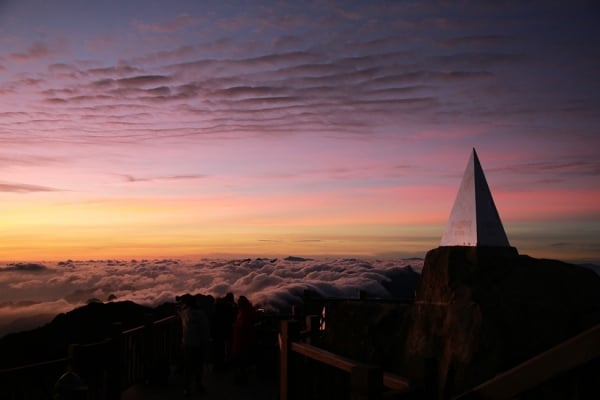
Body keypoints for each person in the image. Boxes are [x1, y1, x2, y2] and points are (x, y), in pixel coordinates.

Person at [178, 294, 211, 396]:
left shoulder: (185, 313)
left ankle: (187, 387)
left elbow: (179, 312)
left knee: (189, 367)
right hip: (198, 344)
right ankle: (198, 384)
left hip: (188, 344)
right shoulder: (200, 314)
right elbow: (205, 330)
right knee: (198, 365)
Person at [231, 295, 256, 384]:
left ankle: (241, 378)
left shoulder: (244, 312)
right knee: (243, 360)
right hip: (243, 339)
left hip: (241, 340)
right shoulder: (246, 311)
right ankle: (242, 377)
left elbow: (243, 326)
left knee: (241, 360)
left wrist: (235, 326)